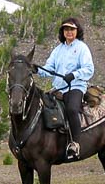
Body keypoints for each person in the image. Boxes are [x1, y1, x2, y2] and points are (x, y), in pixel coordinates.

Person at [37, 17, 94, 160]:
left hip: (75, 86)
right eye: (66, 29)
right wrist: (37, 69)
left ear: (77, 31)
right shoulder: (58, 50)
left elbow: (89, 69)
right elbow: (49, 68)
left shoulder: (82, 48)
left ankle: (75, 143)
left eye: (72, 29)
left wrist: (74, 75)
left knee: (72, 109)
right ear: (62, 32)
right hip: (58, 87)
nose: (69, 32)